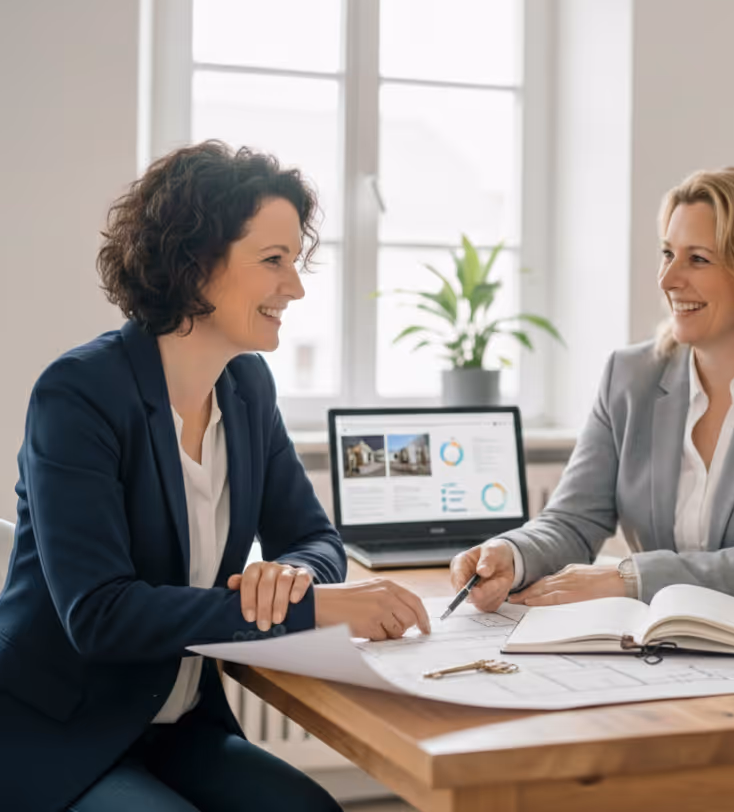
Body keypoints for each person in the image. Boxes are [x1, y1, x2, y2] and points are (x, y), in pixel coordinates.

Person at [0, 142, 431, 812]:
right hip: (57, 735)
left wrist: (289, 578)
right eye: (273, 261)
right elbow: (100, 613)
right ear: (195, 262)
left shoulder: (247, 387)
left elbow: (317, 540)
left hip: (176, 727)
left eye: (295, 261)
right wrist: (311, 609)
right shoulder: (79, 395)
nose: (295, 287)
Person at [452, 166, 734, 611]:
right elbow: (573, 520)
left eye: (698, 259)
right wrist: (511, 555)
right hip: (654, 645)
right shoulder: (630, 375)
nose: (668, 279)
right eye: (667, 254)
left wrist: (627, 579)